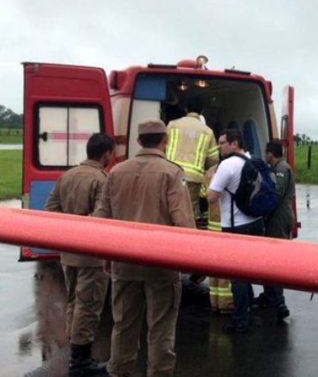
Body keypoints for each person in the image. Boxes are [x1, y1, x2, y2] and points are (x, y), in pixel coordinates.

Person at [93, 119, 196, 377]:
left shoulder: (116, 172)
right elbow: (183, 223)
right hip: (161, 266)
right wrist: (192, 261)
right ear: (166, 140)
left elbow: (100, 221)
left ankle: (118, 372)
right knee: (161, 330)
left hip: (124, 263)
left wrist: (108, 256)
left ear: (139, 141)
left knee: (123, 326)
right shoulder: (172, 173)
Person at [44, 132, 114, 377]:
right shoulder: (101, 180)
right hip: (91, 256)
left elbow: (50, 210)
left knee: (74, 301)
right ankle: (80, 362)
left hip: (68, 252)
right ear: (106, 154)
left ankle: (76, 351)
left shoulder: (67, 176)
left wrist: (69, 228)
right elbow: (101, 219)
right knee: (89, 305)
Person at [207, 129, 265, 334]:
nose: (219, 147)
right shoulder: (253, 160)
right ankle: (260, 304)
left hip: (235, 225)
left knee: (237, 275)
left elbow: (211, 197)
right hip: (257, 222)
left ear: (234, 144)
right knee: (253, 269)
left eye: (222, 143)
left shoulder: (226, 165)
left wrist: (213, 179)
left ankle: (240, 319)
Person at [254, 140, 295, 321]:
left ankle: (279, 301)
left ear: (271, 153)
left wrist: (261, 210)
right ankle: (271, 296)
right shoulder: (278, 168)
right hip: (275, 218)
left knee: (276, 261)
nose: (264, 156)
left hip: (278, 218)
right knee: (268, 259)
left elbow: (275, 195)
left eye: (266, 152)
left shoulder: (281, 169)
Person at [166, 97, 218, 221]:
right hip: (193, 179)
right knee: (190, 210)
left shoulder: (172, 125)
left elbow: (162, 146)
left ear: (185, 109)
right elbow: (213, 160)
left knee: (169, 206)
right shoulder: (208, 131)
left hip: (171, 173)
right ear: (202, 111)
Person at [202, 162, 234, 314]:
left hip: (211, 226)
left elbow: (203, 193)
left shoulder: (209, 172)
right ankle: (226, 304)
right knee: (226, 268)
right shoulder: (229, 172)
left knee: (213, 267)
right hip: (224, 225)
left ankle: (214, 302)